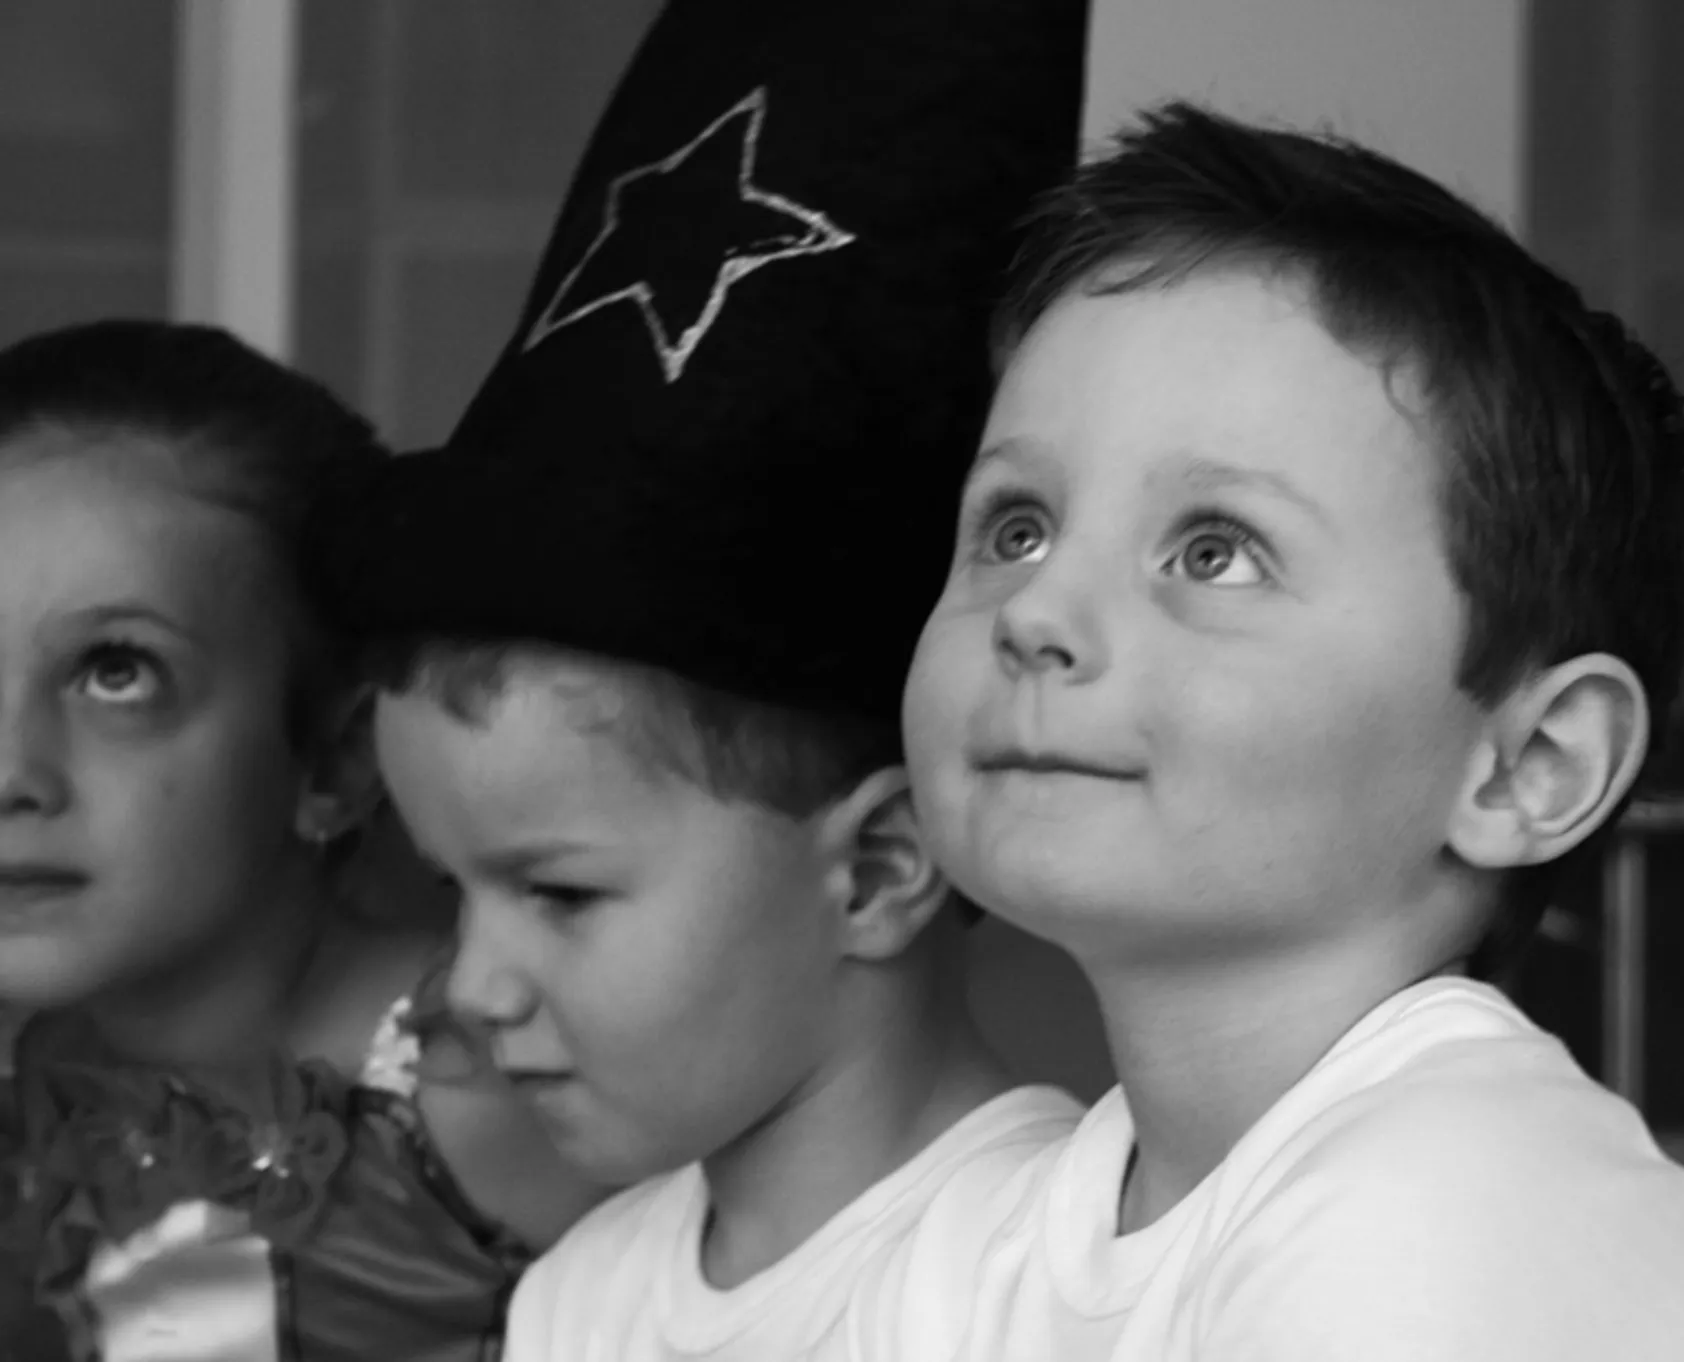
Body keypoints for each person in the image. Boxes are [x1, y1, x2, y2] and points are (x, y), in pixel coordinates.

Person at [893, 102, 1684, 1360]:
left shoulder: (1449, 1203)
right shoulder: (998, 1242)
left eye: (1214, 551)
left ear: (1529, 765)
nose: (1038, 610)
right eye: (1016, 528)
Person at [301, 2, 1090, 1357]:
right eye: (455, 889)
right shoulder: (578, 1299)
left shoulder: (1065, 1288)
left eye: (558, 889)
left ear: (884, 864)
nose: (471, 988)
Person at [0, 320, 604, 1362]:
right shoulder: (49, 1067)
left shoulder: (492, 1079)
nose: (11, 773)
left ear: (335, 756)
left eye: (116, 672)